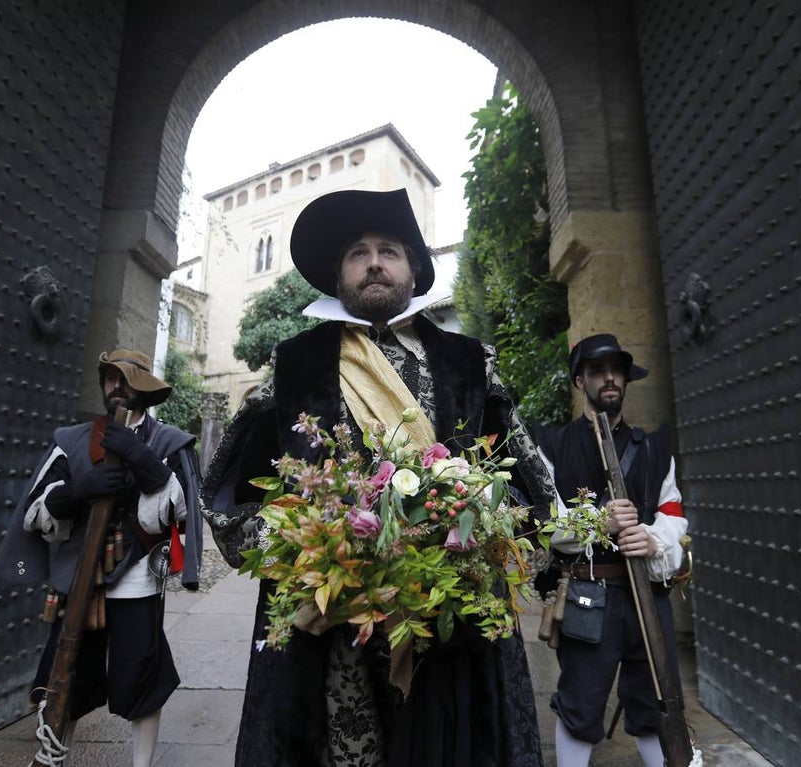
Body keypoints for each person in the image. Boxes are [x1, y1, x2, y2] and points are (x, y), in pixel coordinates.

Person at [202, 188, 556, 767]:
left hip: (451, 607)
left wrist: (488, 524)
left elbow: (527, 475)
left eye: (388, 250)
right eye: (357, 253)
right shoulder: (293, 363)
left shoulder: (470, 361)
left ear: (413, 270)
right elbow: (229, 490)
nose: (373, 262)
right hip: (330, 616)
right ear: (337, 274)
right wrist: (301, 543)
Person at [0, 348, 202, 767]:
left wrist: (142, 460)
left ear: (142, 386)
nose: (115, 386)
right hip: (78, 578)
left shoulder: (167, 442)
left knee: (140, 679)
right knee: (64, 675)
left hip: (137, 578)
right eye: (109, 378)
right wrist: (76, 490)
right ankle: (55, 756)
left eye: (123, 378)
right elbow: (36, 512)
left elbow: (180, 511)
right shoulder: (72, 440)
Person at [532, 334, 687, 767]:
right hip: (589, 596)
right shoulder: (552, 447)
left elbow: (673, 516)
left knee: (655, 705)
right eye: (598, 371)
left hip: (649, 601)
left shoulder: (655, 450)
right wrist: (598, 523)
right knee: (580, 707)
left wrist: (655, 540)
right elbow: (544, 525)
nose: (610, 378)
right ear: (581, 381)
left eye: (616, 369)